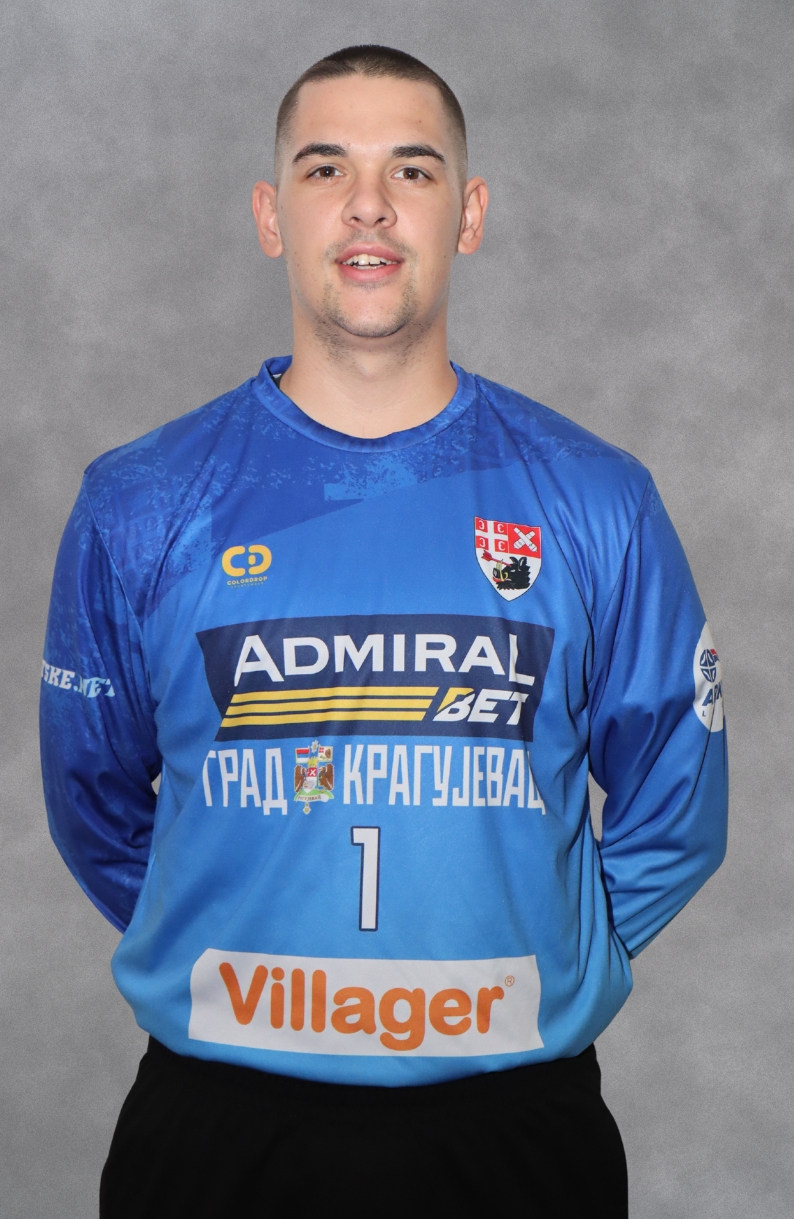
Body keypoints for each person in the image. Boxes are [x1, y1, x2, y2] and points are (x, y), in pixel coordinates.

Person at [40, 44, 728, 1218]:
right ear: (271, 216)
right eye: (325, 169)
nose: (368, 204)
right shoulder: (139, 501)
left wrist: (544, 956)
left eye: (411, 170)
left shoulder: (594, 497)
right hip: (217, 1131)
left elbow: (677, 800)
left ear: (469, 214)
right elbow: (92, 802)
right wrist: (237, 942)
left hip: (511, 1129)